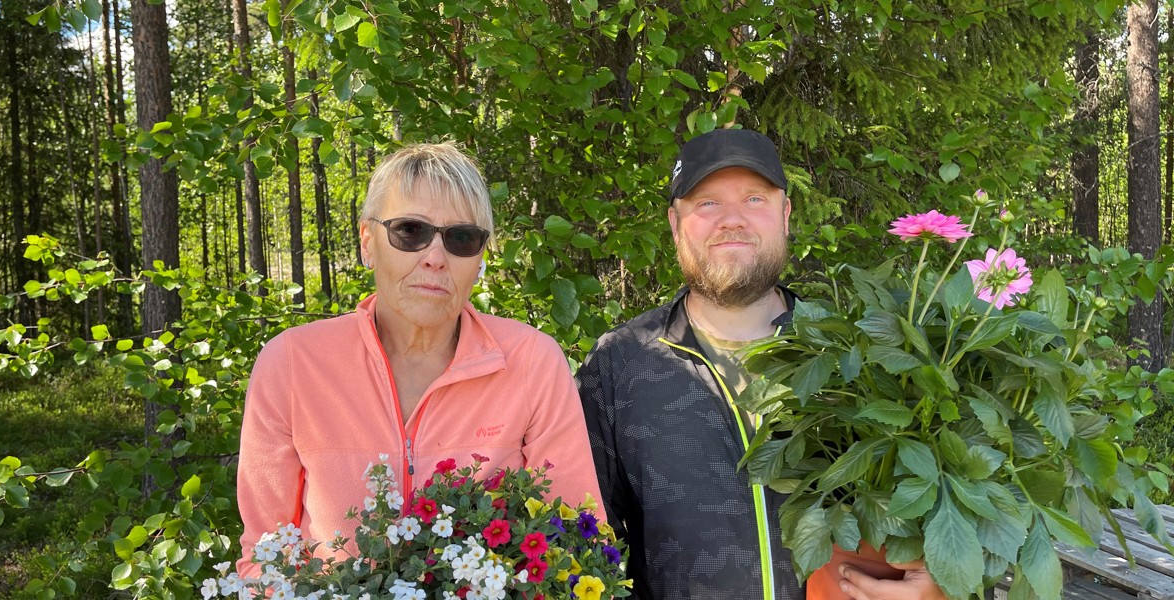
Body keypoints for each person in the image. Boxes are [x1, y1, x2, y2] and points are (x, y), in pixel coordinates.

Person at [576, 129, 944, 600]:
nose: (732, 220)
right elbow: (588, 545)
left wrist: (941, 586)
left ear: (786, 215)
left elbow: (940, 519)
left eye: (754, 198)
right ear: (675, 223)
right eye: (707, 203)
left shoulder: (856, 353)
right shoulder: (620, 365)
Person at [237, 142, 601, 577]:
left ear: (480, 257)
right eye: (410, 231)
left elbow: (577, 539)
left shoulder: (532, 363)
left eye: (461, 238)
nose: (434, 258)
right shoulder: (292, 364)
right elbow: (265, 558)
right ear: (367, 242)